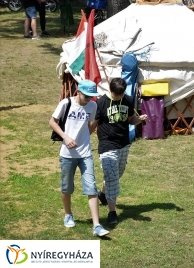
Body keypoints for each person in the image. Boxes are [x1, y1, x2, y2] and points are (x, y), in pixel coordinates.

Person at [49, 80, 111, 237]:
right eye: (86, 96)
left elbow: (90, 126)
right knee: (66, 187)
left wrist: (84, 138)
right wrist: (66, 137)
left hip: (85, 153)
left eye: (91, 96)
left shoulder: (93, 105)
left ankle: (97, 225)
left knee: (91, 187)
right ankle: (68, 214)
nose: (89, 99)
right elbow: (52, 122)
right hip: (67, 154)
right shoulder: (66, 103)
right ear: (78, 91)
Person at [90, 78, 148, 227]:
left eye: (121, 94)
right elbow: (93, 125)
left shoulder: (128, 100)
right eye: (117, 94)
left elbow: (130, 120)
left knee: (117, 173)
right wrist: (81, 139)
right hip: (107, 145)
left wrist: (139, 119)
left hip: (123, 144)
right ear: (111, 90)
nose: (119, 97)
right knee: (112, 177)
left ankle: (102, 194)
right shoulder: (101, 103)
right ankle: (112, 212)